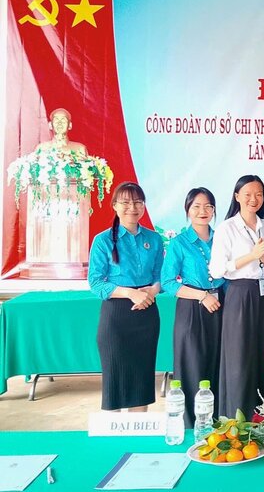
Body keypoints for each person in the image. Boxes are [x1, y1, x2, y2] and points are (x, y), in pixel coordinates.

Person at [88, 182, 163, 411]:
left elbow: (160, 275)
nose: (132, 207)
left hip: (147, 314)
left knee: (141, 380)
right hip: (116, 316)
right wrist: (130, 293)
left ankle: (137, 440)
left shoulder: (155, 239)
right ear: (115, 206)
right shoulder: (103, 241)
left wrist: (152, 291)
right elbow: (96, 282)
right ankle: (114, 443)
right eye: (126, 202)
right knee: (115, 381)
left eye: (138, 202)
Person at [209, 175, 264, 418]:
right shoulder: (227, 228)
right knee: (238, 358)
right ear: (237, 197)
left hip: (263, 293)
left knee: (260, 355)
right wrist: (253, 254)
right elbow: (217, 269)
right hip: (239, 294)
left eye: (258, 194)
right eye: (247, 194)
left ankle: (259, 416)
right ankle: (235, 418)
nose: (253, 199)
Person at [161, 187, 225, 427]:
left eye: (208, 206)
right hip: (191, 310)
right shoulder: (179, 243)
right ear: (187, 210)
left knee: (219, 364)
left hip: (222, 307)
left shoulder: (223, 238)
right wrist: (201, 296)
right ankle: (189, 425)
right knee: (192, 366)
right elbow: (168, 282)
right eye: (196, 206)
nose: (202, 211)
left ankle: (218, 422)